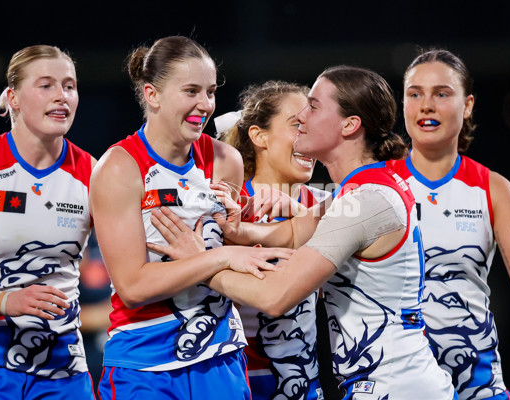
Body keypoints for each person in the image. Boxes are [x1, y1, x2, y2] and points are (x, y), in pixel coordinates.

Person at [168, 65, 457, 399]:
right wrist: (238, 228)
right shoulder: (356, 193)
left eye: (314, 107)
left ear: (350, 125)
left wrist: (200, 265)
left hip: (394, 386)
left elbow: (275, 297)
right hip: (389, 381)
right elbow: (294, 232)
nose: (302, 117)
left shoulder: (364, 202)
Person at [89, 35, 293, 400]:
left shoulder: (224, 160)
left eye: (211, 92)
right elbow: (133, 287)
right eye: (191, 91)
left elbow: (243, 256)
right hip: (144, 364)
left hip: (220, 357)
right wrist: (219, 255)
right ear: (152, 95)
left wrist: (248, 228)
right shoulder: (120, 167)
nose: (205, 104)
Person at [387, 48, 510, 400]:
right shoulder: (373, 184)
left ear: (467, 105)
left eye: (442, 94)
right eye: (415, 94)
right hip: (398, 382)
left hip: (476, 382)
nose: (426, 105)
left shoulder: (492, 188)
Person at [0, 45, 97, 399]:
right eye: (46, 85)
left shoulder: (94, 173)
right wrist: (2, 301)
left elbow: (138, 263)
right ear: (13, 97)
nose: (61, 97)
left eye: (69, 86)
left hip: (64, 372)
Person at [215, 80, 330, 400]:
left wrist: (300, 215)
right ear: (259, 135)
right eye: (297, 125)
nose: (309, 136)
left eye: (313, 125)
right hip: (238, 381)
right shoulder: (229, 205)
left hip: (305, 384)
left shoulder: (326, 203)